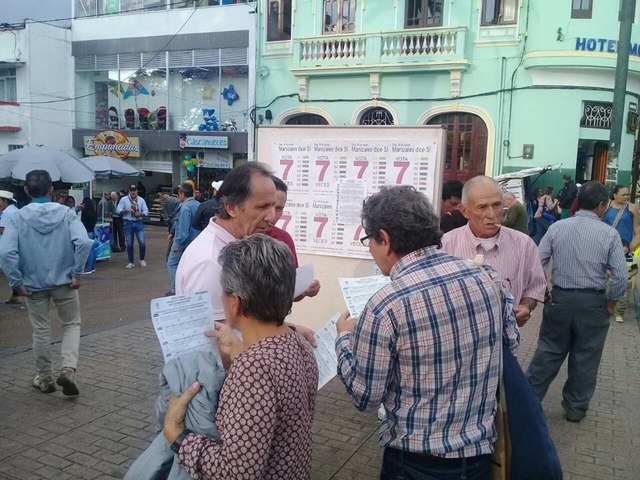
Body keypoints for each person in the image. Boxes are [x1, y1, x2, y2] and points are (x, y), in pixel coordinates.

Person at [334, 185, 518, 479]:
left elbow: (366, 396)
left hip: (415, 462)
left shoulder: (386, 305)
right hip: (478, 456)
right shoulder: (487, 277)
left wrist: (344, 338)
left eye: (368, 239)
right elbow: (511, 344)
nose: (369, 248)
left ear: (384, 238)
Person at [163, 234, 318, 479]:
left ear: (235, 303)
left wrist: (178, 436)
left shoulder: (252, 368)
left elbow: (237, 472)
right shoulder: (298, 342)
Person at [175, 162, 318, 339]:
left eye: (275, 206)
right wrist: (287, 334)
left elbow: (242, 323)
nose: (272, 217)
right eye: (262, 207)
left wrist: (290, 330)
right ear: (232, 207)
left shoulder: (236, 246)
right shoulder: (211, 262)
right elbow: (217, 334)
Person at [526, 181, 627, 423]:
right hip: (593, 304)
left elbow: (536, 262)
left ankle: (527, 402)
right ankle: (575, 409)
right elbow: (621, 276)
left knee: (548, 352)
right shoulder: (610, 234)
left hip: (560, 299)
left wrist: (544, 291)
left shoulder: (557, 228)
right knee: (586, 356)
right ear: (602, 206)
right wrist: (611, 303)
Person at [0, 170, 93, 395]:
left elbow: (6, 252)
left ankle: (44, 378)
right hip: (65, 283)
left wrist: (16, 282)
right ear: (51, 190)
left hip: (32, 286)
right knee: (71, 324)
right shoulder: (67, 214)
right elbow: (83, 242)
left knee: (41, 330)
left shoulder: (16, 217)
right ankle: (68, 369)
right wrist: (77, 273)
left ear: (26, 191)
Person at [442, 176, 546, 326]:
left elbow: (535, 286)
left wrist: (526, 306)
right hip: (459, 341)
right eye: (482, 207)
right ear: (464, 211)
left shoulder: (524, 245)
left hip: (506, 340)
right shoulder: (446, 246)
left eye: (497, 205)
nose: (491, 214)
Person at [267, 175, 321, 299]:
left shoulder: (284, 239)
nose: (272, 215)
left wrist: (305, 289)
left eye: (279, 208)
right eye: (265, 206)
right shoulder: (235, 238)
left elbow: (292, 291)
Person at [166, 183, 200, 295]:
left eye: (179, 194)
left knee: (172, 263)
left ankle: (176, 289)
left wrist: (179, 244)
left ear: (182, 193)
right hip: (196, 242)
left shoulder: (185, 207)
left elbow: (183, 229)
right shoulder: (198, 204)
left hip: (184, 242)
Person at [116, 184, 149, 268]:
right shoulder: (124, 199)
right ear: (129, 191)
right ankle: (131, 262)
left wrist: (141, 213)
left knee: (142, 242)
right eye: (131, 190)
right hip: (128, 222)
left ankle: (142, 259)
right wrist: (125, 210)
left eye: (134, 190)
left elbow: (146, 211)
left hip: (139, 222)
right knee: (129, 243)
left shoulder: (141, 200)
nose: (133, 192)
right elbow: (118, 210)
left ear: (137, 191)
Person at [602, 184, 640, 250]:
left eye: (627, 195)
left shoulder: (632, 208)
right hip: (605, 246)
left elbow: (637, 231)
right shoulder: (606, 206)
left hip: (624, 247)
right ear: (615, 195)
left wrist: (629, 248)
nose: (626, 197)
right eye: (623, 195)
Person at [0, 190, 21, 304]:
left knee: (9, 267)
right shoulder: (13, 210)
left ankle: (17, 292)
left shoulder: (7, 213)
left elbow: (3, 230)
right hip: (14, 244)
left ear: (5, 201)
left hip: (8, 244)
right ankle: (16, 293)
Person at [79, 197, 99, 275]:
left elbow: (83, 222)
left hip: (87, 232)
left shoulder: (84, 212)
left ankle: (88, 268)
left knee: (89, 251)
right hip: (92, 231)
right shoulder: (94, 212)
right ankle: (92, 267)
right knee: (93, 250)